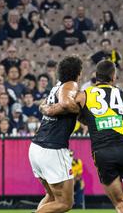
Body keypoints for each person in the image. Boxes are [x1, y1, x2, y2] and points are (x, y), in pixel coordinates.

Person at [79, 60, 123, 213]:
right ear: (113, 77)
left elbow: (82, 117)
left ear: (95, 76)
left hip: (103, 152)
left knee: (119, 203)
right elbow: (120, 117)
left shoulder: (84, 95)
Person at [28, 56, 84, 213]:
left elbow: (43, 106)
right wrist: (81, 110)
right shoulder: (70, 84)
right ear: (78, 72)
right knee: (66, 203)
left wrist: (50, 109)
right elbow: (66, 104)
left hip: (36, 147)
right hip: (52, 148)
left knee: (52, 197)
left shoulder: (56, 87)